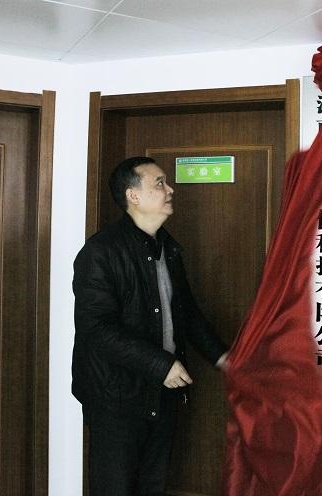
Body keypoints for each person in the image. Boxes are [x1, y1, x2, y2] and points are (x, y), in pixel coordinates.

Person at [72, 156, 229, 495]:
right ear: (133, 196)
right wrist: (162, 365)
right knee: (115, 488)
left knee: (152, 487)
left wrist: (224, 359)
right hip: (115, 398)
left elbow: (188, 315)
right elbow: (96, 329)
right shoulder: (101, 251)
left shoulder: (168, 248)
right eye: (159, 183)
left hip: (162, 393)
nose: (170, 189)